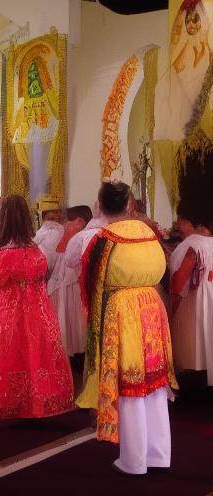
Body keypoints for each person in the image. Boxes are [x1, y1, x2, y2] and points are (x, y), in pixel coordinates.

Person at [77, 182, 178, 476]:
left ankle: (134, 461)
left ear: (100, 205)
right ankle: (159, 454)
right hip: (151, 305)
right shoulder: (150, 233)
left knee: (129, 382)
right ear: (129, 204)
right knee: (155, 382)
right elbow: (164, 270)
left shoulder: (104, 239)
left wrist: (95, 322)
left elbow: (90, 284)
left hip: (121, 310)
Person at [0, 195, 74, 419]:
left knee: (5, 354)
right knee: (35, 355)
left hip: (4, 311)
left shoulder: (1, 254)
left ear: (2, 219)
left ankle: (9, 402)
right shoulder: (37, 252)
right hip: (37, 310)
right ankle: (37, 401)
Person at [170, 208, 213, 387]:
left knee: (193, 343)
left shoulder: (193, 245)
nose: (178, 224)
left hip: (195, 300)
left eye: (181, 220)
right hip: (210, 294)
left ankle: (194, 387)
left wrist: (172, 306)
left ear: (189, 223)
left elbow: (181, 279)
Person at [47, 206, 93, 356]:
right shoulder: (61, 234)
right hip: (63, 282)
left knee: (74, 320)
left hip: (74, 283)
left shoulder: (83, 236)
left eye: (67, 221)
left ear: (79, 222)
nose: (64, 224)